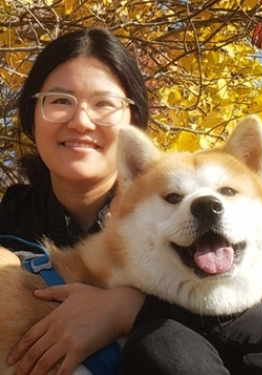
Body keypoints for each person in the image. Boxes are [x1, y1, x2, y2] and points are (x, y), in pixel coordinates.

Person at [0, 28, 149, 375]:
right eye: (60, 101)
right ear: (31, 117)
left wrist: (130, 309)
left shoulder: (175, 213)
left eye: (104, 104)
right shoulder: (7, 223)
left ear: (134, 122)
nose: (81, 121)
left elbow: (251, 330)